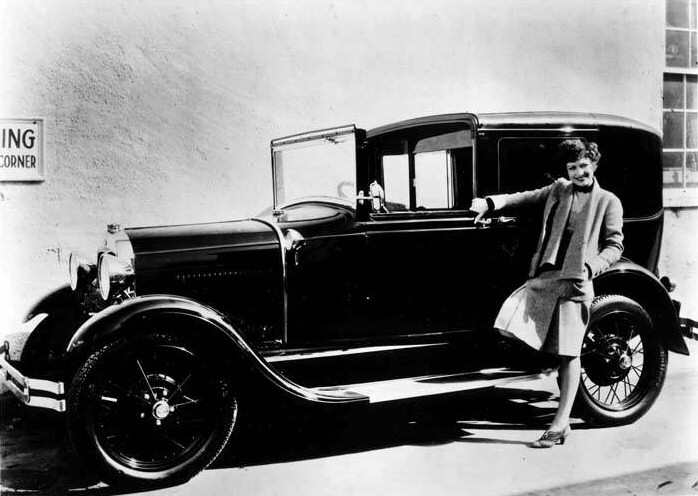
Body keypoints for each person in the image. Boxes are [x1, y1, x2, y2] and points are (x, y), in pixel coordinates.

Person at [470, 139, 624, 448]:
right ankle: (549, 368)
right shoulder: (559, 190)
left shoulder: (609, 201)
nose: (579, 172)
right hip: (546, 276)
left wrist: (592, 267)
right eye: (572, 167)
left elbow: (615, 245)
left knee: (569, 354)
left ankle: (560, 423)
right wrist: (489, 203)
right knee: (508, 321)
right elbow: (524, 198)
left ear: (593, 164)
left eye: (583, 165)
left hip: (575, 282)